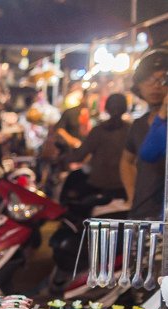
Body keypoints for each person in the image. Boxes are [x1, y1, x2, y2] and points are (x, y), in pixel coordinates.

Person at [121, 48, 168, 220]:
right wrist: (133, 195)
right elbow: (127, 161)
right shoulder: (139, 124)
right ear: (138, 86)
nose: (155, 86)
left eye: (162, 80)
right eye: (148, 80)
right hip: (141, 214)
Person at [62, 93, 129, 199]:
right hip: (125, 183)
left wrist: (64, 159)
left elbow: (80, 155)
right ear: (125, 108)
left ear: (107, 108)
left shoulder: (99, 130)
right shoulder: (131, 129)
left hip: (100, 183)